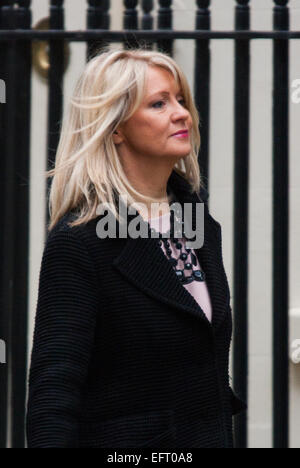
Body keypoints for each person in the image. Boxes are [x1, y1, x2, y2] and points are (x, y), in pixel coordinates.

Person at [26, 46, 247, 449]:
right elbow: (54, 392)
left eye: (180, 100)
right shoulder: (81, 243)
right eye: (159, 103)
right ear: (115, 128)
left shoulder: (197, 221)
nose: (181, 113)